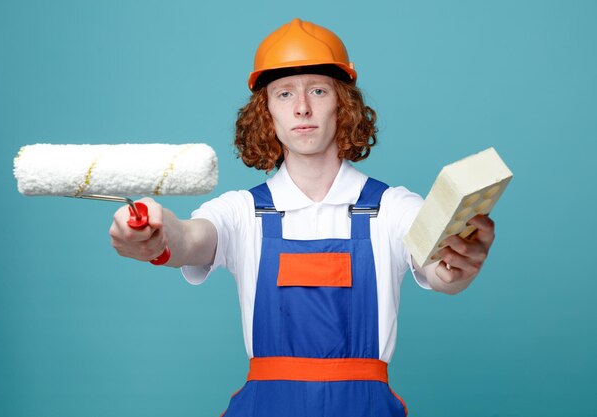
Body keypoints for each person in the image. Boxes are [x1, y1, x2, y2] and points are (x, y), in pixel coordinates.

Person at [109, 18, 495, 417]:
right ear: (267, 113)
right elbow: (189, 239)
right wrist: (156, 233)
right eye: (284, 93)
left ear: (342, 106)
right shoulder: (243, 213)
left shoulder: (391, 208)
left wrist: (456, 269)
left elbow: (436, 267)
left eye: (317, 90)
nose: (302, 107)